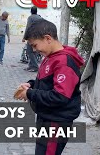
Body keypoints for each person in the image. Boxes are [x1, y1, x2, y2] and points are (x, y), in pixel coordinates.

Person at [16, 19, 84, 155]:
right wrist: (31, 84)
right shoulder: (50, 56)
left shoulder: (64, 62)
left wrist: (30, 93)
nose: (34, 50)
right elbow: (47, 82)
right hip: (46, 116)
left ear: (47, 38)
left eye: (35, 45)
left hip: (56, 121)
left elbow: (60, 96)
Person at [22, 6, 42, 72]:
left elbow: (28, 28)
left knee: (29, 51)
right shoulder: (40, 17)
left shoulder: (30, 18)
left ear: (31, 11)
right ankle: (30, 66)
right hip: (38, 37)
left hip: (32, 37)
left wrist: (24, 37)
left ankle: (35, 67)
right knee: (35, 52)